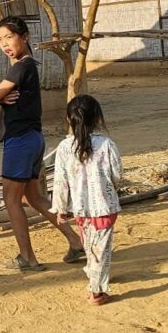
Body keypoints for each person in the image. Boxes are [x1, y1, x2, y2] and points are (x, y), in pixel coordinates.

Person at [0, 17, 84, 273]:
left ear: (25, 36)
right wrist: (3, 97)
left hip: (19, 141)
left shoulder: (21, 67)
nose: (4, 44)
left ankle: (27, 258)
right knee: (34, 197)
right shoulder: (26, 66)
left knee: (11, 200)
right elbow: (0, 96)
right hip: (33, 138)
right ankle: (75, 241)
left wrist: (0, 96)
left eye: (9, 37)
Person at [51, 94, 123, 306]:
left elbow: (60, 181)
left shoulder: (64, 148)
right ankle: (96, 291)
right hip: (104, 205)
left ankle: (96, 277)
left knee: (90, 244)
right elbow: (117, 174)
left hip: (81, 209)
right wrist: (112, 188)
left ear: (68, 119)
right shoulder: (107, 145)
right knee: (101, 247)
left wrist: (61, 208)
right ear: (97, 118)